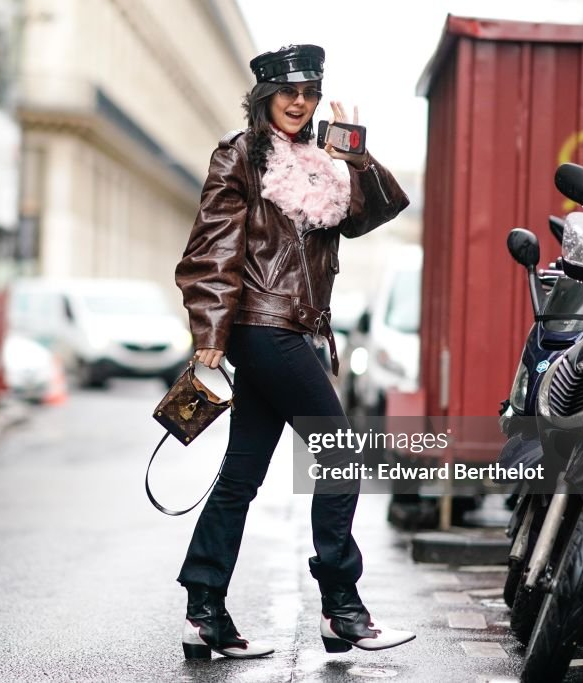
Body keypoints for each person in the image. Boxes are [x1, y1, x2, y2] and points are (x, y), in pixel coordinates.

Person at [173, 44, 416, 660]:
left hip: (298, 332)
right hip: (264, 328)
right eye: (288, 93)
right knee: (339, 456)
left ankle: (204, 612)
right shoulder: (241, 157)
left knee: (241, 476)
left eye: (309, 93)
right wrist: (208, 340)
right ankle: (342, 608)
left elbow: (379, 210)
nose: (300, 103)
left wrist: (356, 157)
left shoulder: (323, 162)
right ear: (264, 98)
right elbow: (212, 251)